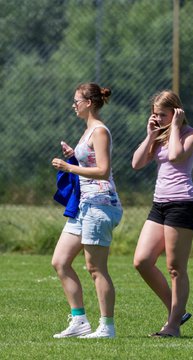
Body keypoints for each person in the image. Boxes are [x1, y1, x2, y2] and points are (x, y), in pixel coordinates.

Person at [51, 82, 123, 339]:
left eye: (77, 101)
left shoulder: (100, 131)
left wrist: (69, 167)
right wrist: (74, 156)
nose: (74, 105)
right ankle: (80, 321)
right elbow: (90, 160)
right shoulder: (87, 131)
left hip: (101, 204)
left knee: (95, 268)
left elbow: (103, 170)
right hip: (84, 205)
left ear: (89, 103)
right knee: (60, 261)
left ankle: (107, 326)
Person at [132, 89, 193, 337]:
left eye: (162, 115)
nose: (158, 119)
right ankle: (177, 311)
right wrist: (150, 135)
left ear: (176, 112)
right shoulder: (159, 135)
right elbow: (137, 163)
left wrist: (176, 127)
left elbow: (175, 155)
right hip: (159, 204)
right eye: (155, 115)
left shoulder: (191, 135)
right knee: (141, 261)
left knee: (175, 267)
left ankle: (172, 326)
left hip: (183, 204)